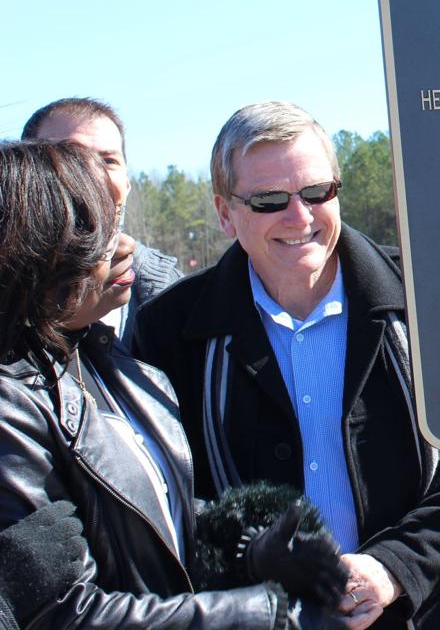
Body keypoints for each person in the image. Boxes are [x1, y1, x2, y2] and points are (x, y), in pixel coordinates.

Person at [133, 102, 440, 630]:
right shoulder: (167, 333)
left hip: (435, 612)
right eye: (269, 200)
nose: (300, 216)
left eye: (316, 192)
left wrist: (395, 567)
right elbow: (162, 496)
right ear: (225, 213)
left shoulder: (429, 296)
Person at [0, 140, 347, 628]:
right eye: (95, 236)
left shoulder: (111, 364)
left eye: (117, 229)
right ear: (32, 253)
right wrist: (268, 614)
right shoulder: (9, 410)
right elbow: (60, 613)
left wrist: (250, 551)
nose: (125, 249)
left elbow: (159, 526)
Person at [23, 97, 181, 346]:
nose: (94, 175)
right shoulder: (10, 288)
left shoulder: (171, 294)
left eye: (108, 161)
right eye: (68, 157)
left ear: (127, 185)